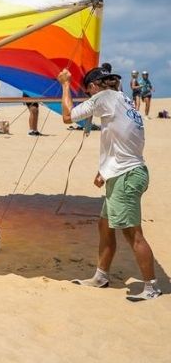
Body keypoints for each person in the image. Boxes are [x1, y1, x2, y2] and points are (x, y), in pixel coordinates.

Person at [58, 66, 161, 301]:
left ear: (94, 87)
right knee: (105, 225)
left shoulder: (103, 97)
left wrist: (65, 83)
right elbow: (122, 139)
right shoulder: (123, 98)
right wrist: (104, 171)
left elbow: (67, 116)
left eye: (87, 92)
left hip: (127, 176)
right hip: (125, 171)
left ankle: (151, 287)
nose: (89, 97)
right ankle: (101, 276)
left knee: (132, 234)